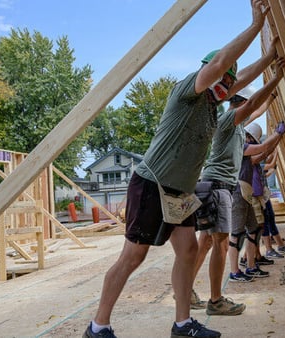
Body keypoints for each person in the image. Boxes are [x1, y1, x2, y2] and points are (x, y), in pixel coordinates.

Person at [84, 2, 271, 337]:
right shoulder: (189, 90)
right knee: (133, 257)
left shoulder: (215, 109)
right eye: (224, 78)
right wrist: (256, 26)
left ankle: (182, 324)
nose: (226, 83)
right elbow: (220, 63)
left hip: (181, 192)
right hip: (153, 184)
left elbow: (241, 77)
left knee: (187, 251)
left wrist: (270, 59)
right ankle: (98, 326)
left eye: (228, 82)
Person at [190, 55, 285, 315]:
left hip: (210, 184)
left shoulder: (234, 124)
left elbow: (256, 108)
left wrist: (272, 97)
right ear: (239, 103)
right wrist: (274, 78)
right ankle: (216, 300)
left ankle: (187, 290)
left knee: (206, 243)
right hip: (218, 185)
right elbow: (253, 105)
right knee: (220, 244)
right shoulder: (229, 121)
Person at [229, 121, 285, 281]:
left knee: (254, 230)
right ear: (248, 137)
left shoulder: (245, 147)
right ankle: (235, 271)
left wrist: (277, 139)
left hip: (245, 193)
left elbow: (262, 154)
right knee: (236, 234)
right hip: (239, 193)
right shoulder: (241, 146)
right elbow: (261, 152)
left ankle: (251, 266)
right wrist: (278, 135)